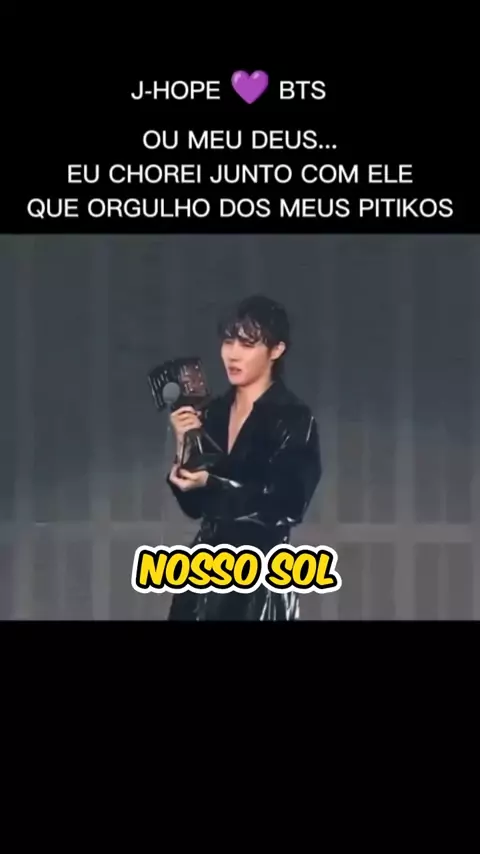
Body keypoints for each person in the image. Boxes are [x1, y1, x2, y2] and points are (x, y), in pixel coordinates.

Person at [166, 295, 322, 621]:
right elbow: (195, 507)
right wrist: (184, 450)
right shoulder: (213, 412)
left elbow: (289, 504)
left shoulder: (292, 418)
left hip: (259, 581)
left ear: (276, 350)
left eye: (248, 344)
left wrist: (214, 481)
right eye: (228, 341)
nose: (233, 354)